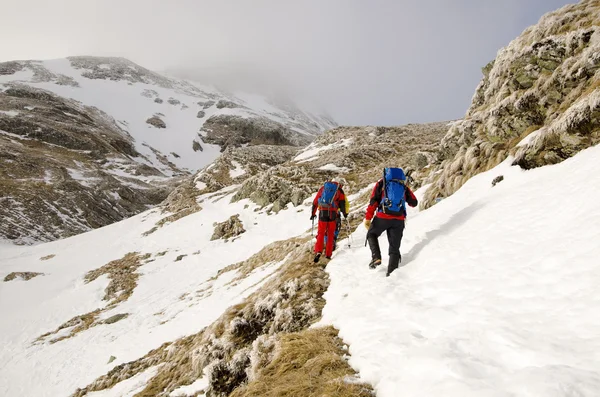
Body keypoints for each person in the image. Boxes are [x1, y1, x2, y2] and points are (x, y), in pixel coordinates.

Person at [364, 167, 418, 276]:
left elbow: (373, 201)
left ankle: (376, 257)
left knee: (372, 234)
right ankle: (391, 274)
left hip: (383, 217)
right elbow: (414, 202)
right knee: (394, 247)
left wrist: (368, 218)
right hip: (399, 220)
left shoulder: (382, 184)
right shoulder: (402, 186)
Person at [311, 177, 348, 263]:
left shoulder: (323, 188)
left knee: (321, 233)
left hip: (322, 213)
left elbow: (315, 201)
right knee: (330, 234)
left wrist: (313, 214)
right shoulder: (339, 190)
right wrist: (344, 213)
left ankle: (318, 251)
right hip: (333, 214)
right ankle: (328, 254)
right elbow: (342, 203)